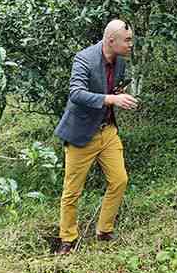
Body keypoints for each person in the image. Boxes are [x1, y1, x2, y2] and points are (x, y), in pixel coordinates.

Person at [54, 19, 138, 254]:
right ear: (112, 41)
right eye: (127, 40)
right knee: (72, 191)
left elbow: (111, 87)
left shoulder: (120, 62)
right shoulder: (84, 59)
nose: (131, 44)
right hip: (82, 134)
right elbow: (77, 93)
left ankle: (104, 231)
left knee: (119, 180)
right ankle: (67, 239)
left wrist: (120, 95)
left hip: (107, 130)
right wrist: (111, 99)